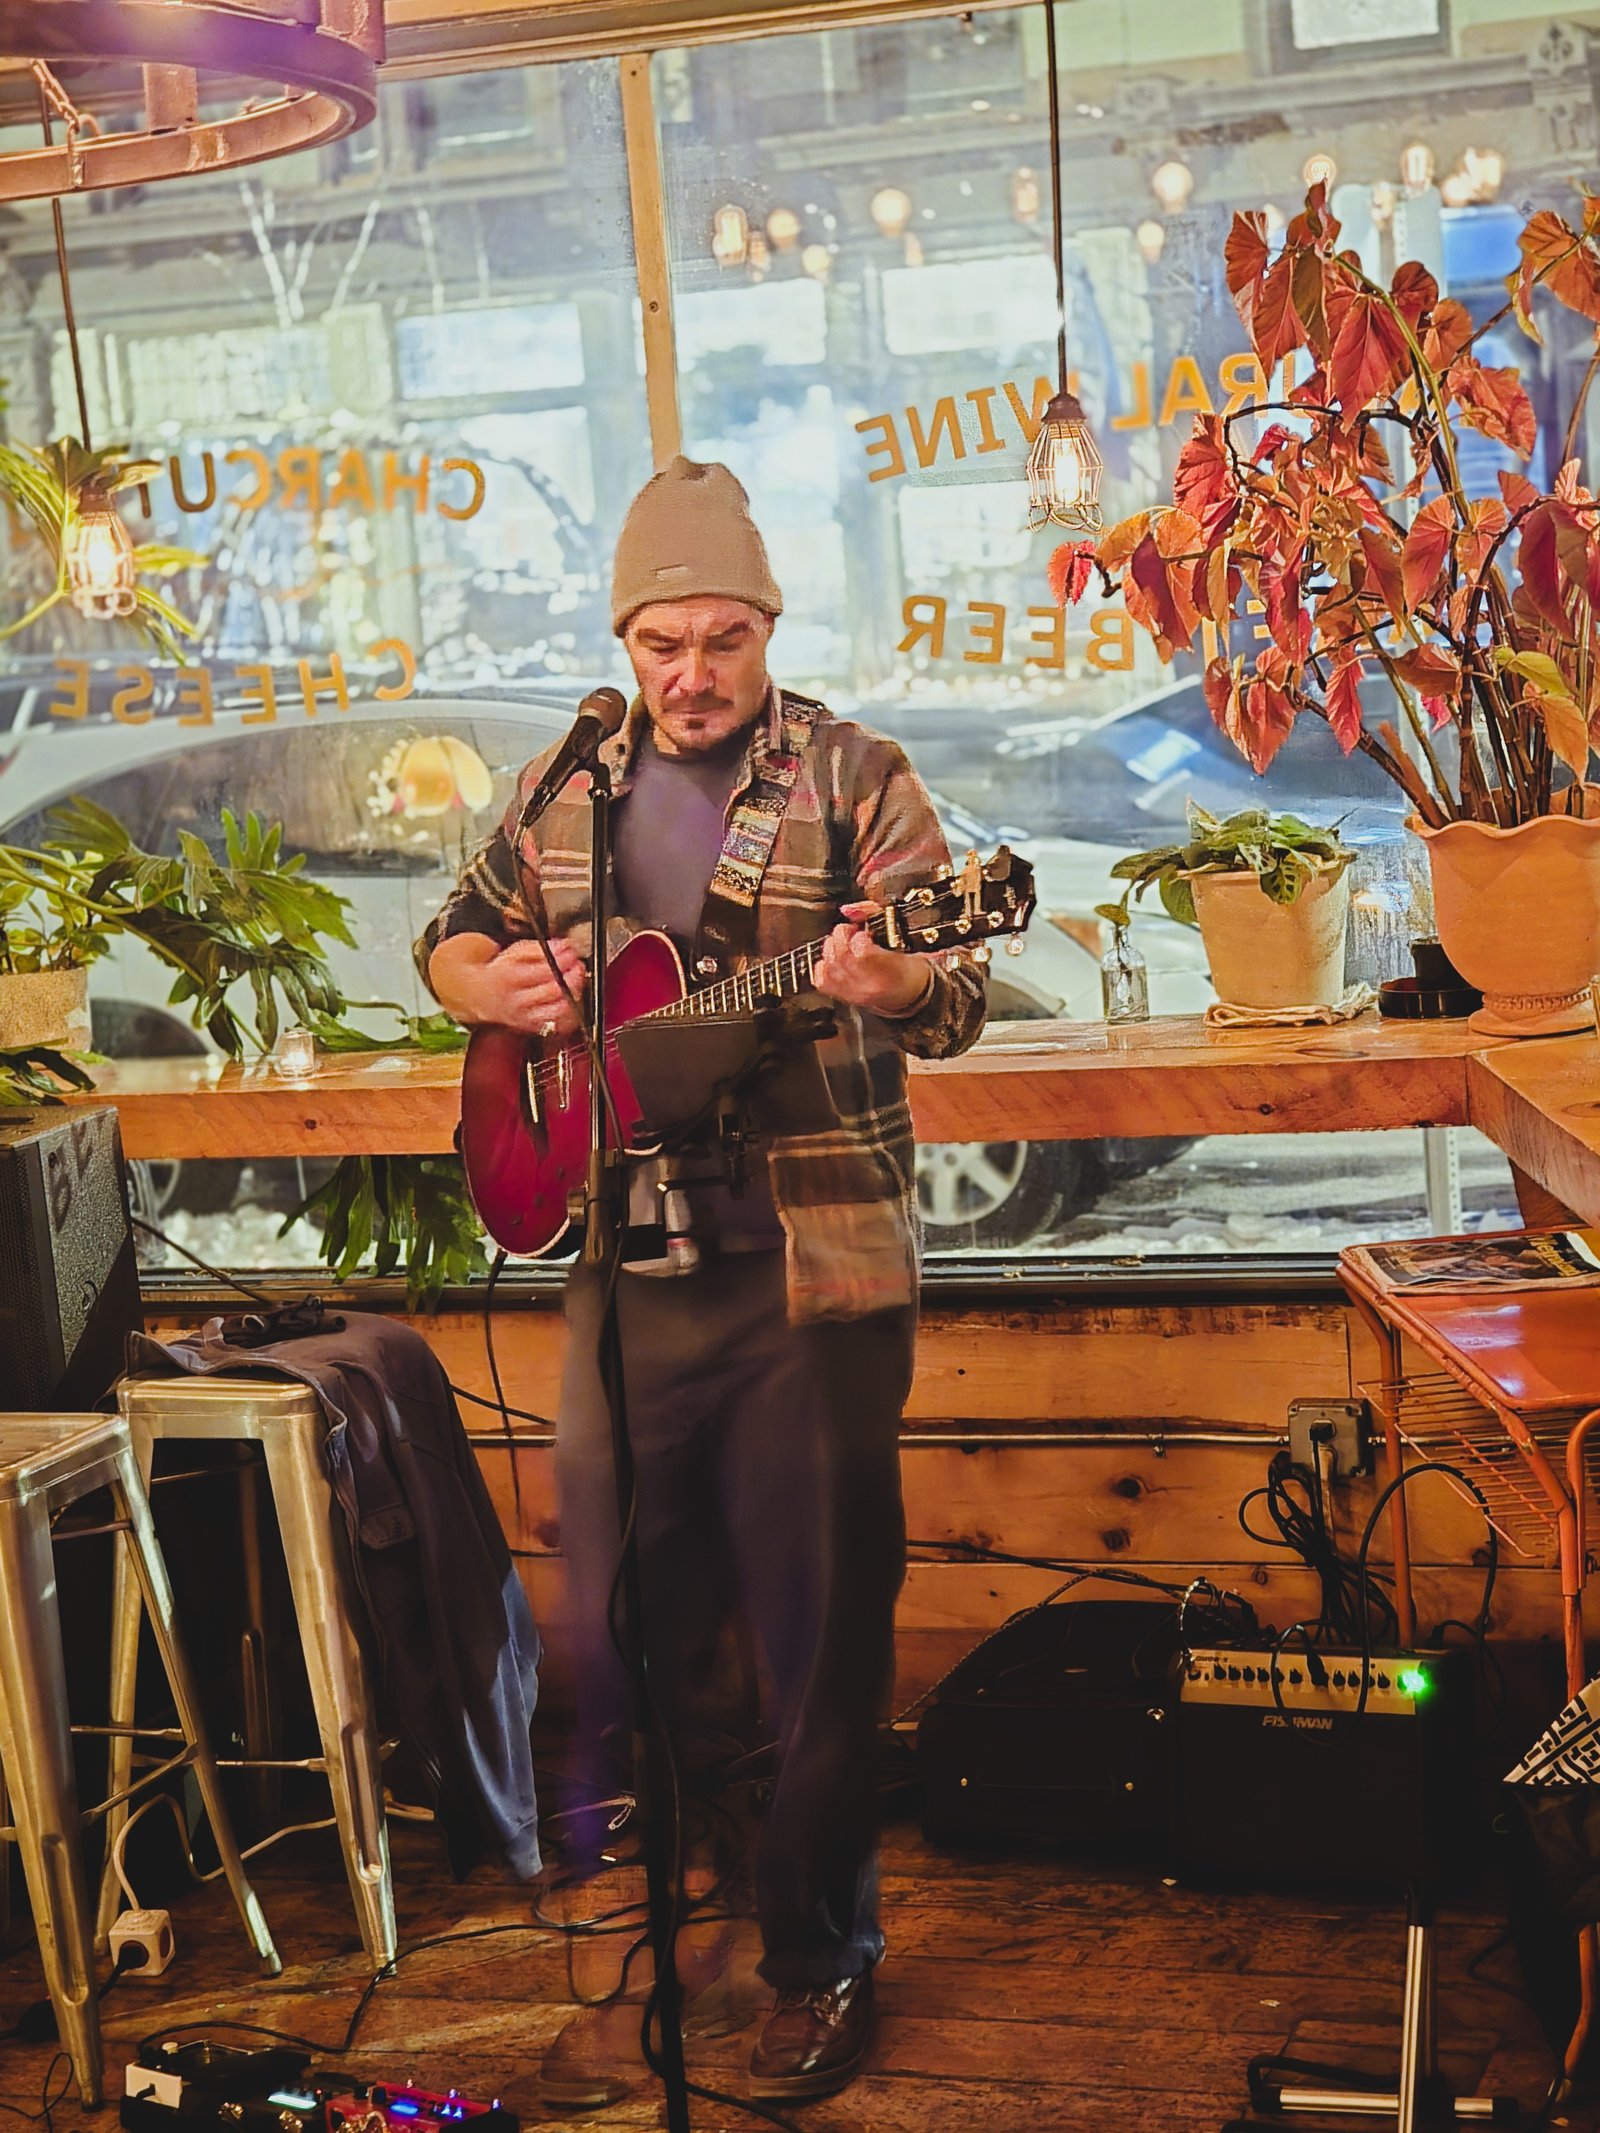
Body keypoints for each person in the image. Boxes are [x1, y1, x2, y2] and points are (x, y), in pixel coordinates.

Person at [418, 457, 987, 2101]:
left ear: (767, 629)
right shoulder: (568, 781)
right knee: (635, 1620)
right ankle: (684, 1926)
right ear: (626, 641)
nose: (690, 673)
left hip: (814, 1273)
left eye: (722, 639)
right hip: (623, 1272)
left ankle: (818, 1957)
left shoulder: (856, 777)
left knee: (821, 1635)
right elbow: (449, 937)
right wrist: (499, 991)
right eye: (661, 643)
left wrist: (896, 977)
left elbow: (956, 990)